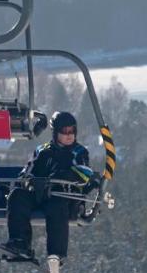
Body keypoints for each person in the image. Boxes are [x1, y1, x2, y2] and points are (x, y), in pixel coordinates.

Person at [5, 110, 93, 263]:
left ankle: (56, 254)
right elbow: (28, 170)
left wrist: (64, 176)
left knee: (56, 206)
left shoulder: (79, 152)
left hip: (65, 197)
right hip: (40, 194)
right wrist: (29, 179)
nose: (69, 135)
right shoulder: (43, 151)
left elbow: (84, 173)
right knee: (17, 196)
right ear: (55, 132)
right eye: (65, 131)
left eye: (72, 131)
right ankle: (20, 242)